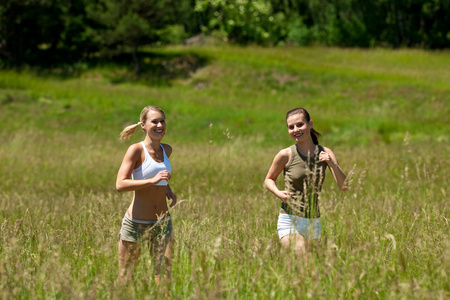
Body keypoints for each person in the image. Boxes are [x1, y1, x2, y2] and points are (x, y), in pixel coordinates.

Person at [264, 107, 347, 256]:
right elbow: (269, 179)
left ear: (310, 124)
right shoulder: (285, 154)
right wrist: (278, 193)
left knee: (309, 270)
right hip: (290, 218)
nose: (296, 129)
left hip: (313, 221)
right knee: (303, 257)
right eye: (291, 127)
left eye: (300, 124)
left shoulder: (325, 152)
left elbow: (344, 186)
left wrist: (332, 164)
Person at [116, 105, 177, 285]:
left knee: (164, 277)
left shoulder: (166, 150)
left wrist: (167, 188)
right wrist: (152, 181)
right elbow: (120, 184)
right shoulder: (136, 150)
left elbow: (158, 174)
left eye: (162, 121)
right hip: (137, 223)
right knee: (127, 280)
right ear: (143, 125)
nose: (160, 125)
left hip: (162, 222)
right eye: (154, 121)